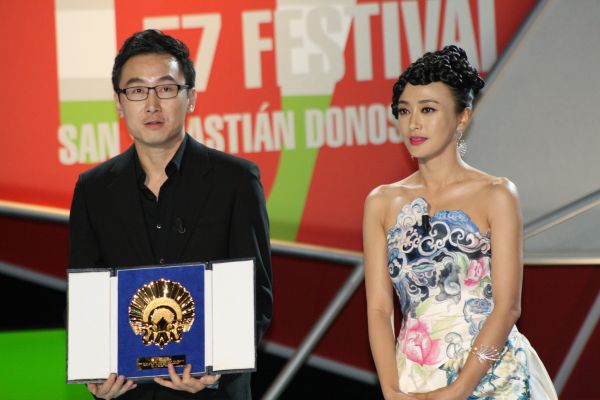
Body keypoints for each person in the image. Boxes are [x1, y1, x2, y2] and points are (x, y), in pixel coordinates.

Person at [69, 29, 272, 399]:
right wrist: (95, 373)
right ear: (119, 102)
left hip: (210, 391)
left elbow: (255, 293)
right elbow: (87, 293)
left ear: (190, 97)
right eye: (136, 90)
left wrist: (217, 368)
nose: (151, 104)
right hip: (130, 391)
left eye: (165, 89)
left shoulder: (236, 180)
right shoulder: (92, 189)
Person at [363, 45, 557, 399]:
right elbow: (378, 308)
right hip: (415, 376)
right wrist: (390, 388)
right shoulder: (381, 202)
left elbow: (508, 306)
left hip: (495, 380)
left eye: (428, 109)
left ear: (463, 117)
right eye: (404, 111)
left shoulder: (496, 194)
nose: (413, 123)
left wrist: (460, 388)